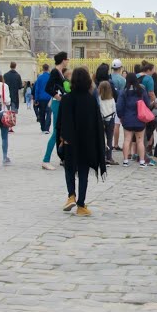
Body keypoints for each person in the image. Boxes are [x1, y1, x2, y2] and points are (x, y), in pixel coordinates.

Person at [54, 66, 105, 216]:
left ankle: (71, 196)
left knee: (69, 169)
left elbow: (61, 122)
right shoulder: (91, 100)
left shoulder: (67, 99)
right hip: (86, 142)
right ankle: (81, 205)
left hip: (70, 141)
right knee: (83, 172)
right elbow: (97, 124)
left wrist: (62, 139)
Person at [40, 53, 69, 170]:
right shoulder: (55, 72)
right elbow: (48, 88)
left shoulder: (60, 72)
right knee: (56, 132)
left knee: (60, 131)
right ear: (63, 60)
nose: (68, 60)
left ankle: (62, 157)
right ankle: (46, 160)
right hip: (57, 104)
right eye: (67, 59)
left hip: (60, 103)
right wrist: (58, 97)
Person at [97, 79, 118, 164]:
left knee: (101, 139)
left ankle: (101, 157)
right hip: (110, 120)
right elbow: (114, 110)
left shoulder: (99, 99)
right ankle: (109, 157)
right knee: (109, 139)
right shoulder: (112, 99)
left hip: (101, 120)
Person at [32, 64, 53, 133]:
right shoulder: (50, 77)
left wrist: (36, 99)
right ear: (48, 68)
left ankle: (43, 128)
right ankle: (47, 128)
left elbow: (37, 89)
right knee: (49, 113)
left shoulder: (39, 78)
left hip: (41, 98)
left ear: (43, 69)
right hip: (49, 97)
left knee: (42, 113)